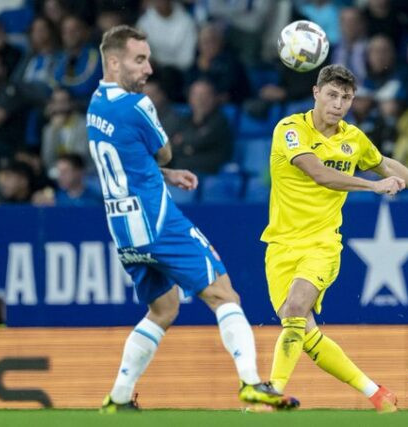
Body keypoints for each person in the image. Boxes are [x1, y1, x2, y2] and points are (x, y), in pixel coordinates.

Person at [87, 25, 298, 413]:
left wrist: (163, 176)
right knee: (224, 294)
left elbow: (128, 160)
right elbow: (163, 152)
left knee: (163, 309)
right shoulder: (137, 105)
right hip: (158, 222)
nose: (148, 69)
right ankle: (252, 383)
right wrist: (165, 166)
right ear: (114, 62)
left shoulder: (95, 105)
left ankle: (117, 397)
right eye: (139, 60)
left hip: (123, 230)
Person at [261, 64, 408, 412]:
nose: (339, 104)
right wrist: (372, 186)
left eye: (346, 97)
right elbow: (318, 173)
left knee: (296, 309)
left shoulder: (352, 139)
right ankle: (377, 394)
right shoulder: (290, 129)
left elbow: (385, 164)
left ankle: (269, 395)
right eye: (332, 95)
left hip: (322, 244)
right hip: (280, 246)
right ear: (316, 93)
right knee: (305, 334)